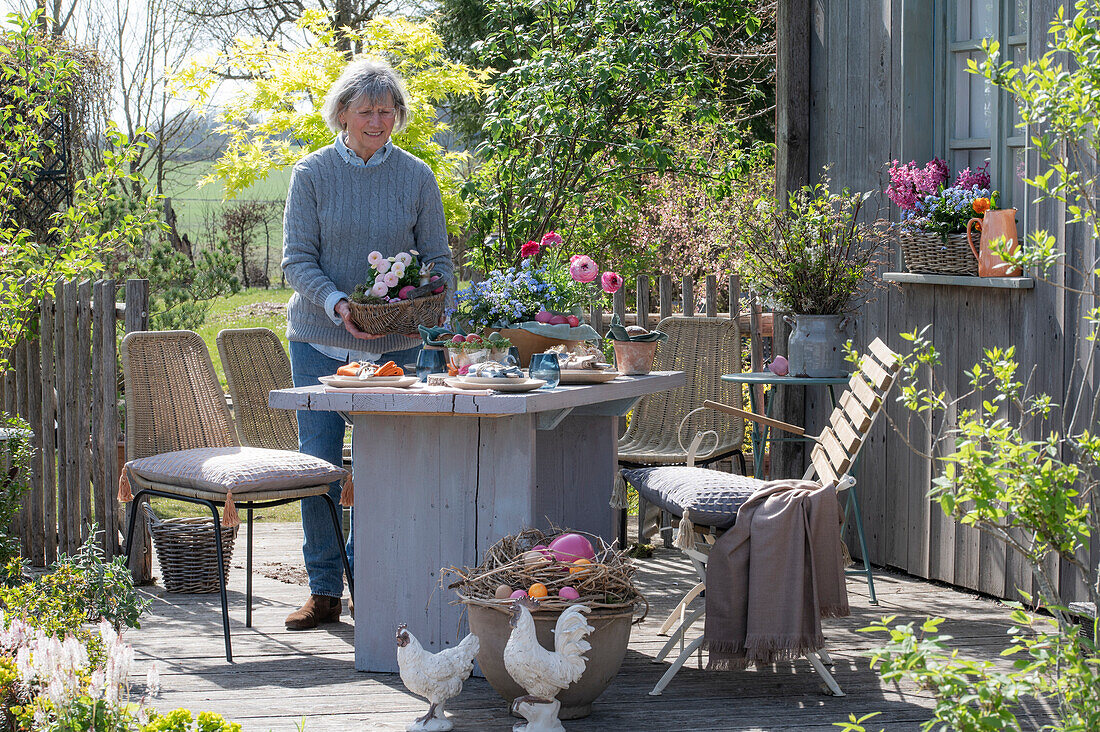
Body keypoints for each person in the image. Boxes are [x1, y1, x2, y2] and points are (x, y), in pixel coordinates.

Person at [281, 59, 454, 630]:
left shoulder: (416, 177)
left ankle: (371, 582)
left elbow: (439, 262)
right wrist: (339, 304)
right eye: (366, 111)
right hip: (319, 340)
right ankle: (325, 589)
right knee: (320, 466)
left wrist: (425, 307)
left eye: (387, 110)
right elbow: (296, 261)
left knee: (384, 468)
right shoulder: (311, 174)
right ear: (343, 115)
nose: (378, 120)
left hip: (396, 346)